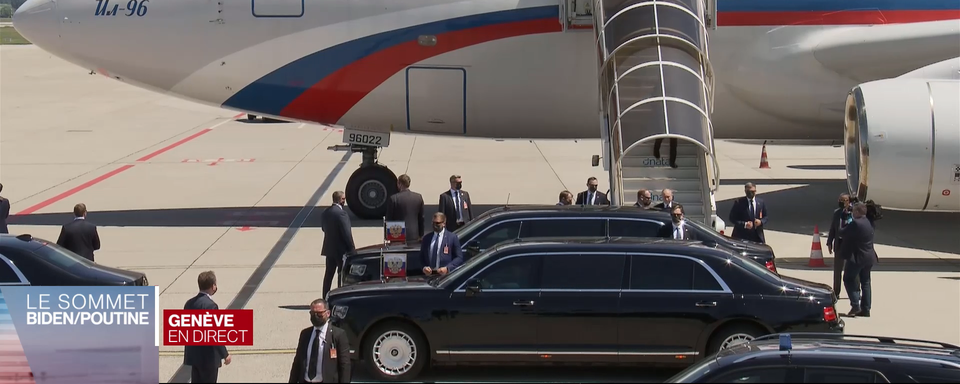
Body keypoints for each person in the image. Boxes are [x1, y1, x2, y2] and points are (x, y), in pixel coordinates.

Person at [288, 298, 351, 383]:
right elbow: (297, 362)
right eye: (312, 313)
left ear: (328, 313)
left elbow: (345, 365)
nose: (315, 316)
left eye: (319, 313)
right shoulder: (305, 334)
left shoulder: (338, 335)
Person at [183, 271, 231, 383]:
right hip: (208, 358)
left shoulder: (189, 304)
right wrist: (225, 354)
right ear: (212, 286)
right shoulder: (211, 306)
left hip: (194, 356)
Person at [839, 202, 879, 317]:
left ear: (857, 212)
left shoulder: (855, 223)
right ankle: (866, 309)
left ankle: (855, 305)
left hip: (858, 257)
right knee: (865, 282)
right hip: (869, 257)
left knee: (848, 279)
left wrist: (844, 219)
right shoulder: (870, 222)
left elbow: (842, 232)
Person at [321, 191, 355, 298]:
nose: (344, 201)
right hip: (341, 250)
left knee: (328, 275)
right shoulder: (341, 213)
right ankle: (340, 296)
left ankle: (325, 296)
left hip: (329, 248)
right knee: (342, 274)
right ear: (340, 200)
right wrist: (352, 249)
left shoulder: (326, 212)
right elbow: (346, 233)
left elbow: (323, 228)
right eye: (343, 199)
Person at [826, 193, 853, 297]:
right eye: (840, 200)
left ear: (848, 201)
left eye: (843, 200)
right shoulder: (837, 213)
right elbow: (833, 228)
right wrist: (829, 242)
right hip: (839, 244)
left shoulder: (854, 212)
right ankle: (836, 292)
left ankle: (855, 291)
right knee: (837, 270)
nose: (841, 202)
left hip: (850, 245)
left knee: (852, 269)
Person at [385, 174, 425, 244]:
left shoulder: (394, 198)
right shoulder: (418, 197)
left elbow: (389, 219)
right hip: (414, 233)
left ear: (399, 183)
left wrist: (387, 235)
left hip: (397, 234)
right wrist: (421, 234)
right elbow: (421, 218)